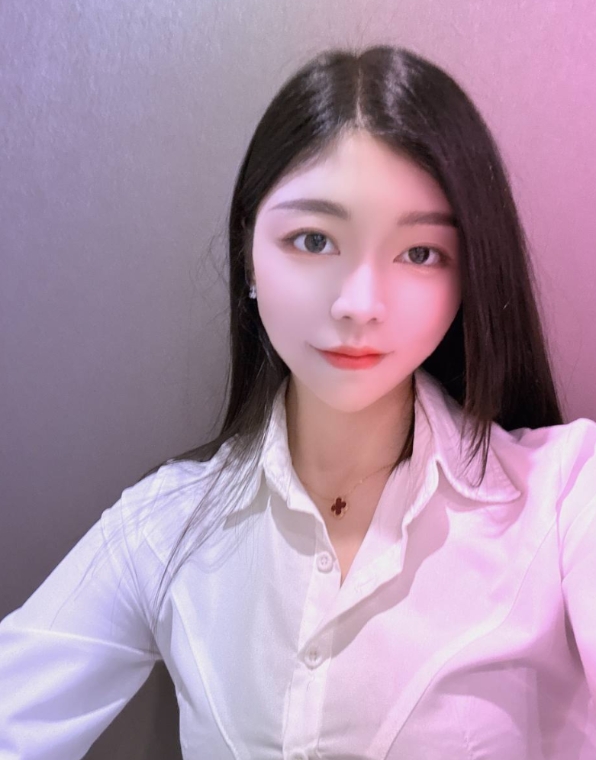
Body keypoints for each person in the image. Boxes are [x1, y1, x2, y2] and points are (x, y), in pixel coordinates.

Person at [0, 45, 594, 760]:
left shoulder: (564, 499)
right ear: (249, 253)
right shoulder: (166, 526)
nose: (359, 304)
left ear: (468, 274)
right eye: (313, 240)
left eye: (419, 253)